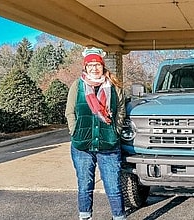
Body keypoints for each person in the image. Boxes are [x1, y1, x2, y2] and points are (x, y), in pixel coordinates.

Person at [65, 47, 126, 220]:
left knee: (113, 186)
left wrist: (116, 130)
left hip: (109, 144)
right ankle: (85, 216)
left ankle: (119, 216)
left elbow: (121, 110)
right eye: (90, 65)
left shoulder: (114, 86)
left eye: (97, 64)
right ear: (85, 67)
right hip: (82, 146)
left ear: (102, 66)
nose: (94, 68)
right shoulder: (77, 86)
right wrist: (74, 130)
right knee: (85, 185)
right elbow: (70, 112)